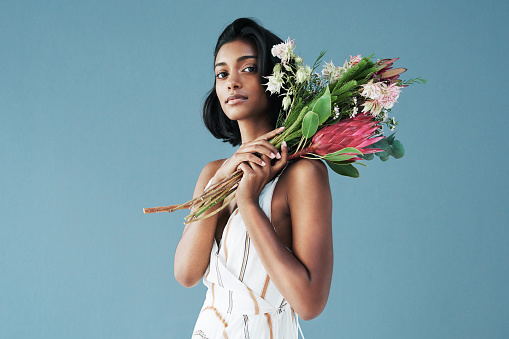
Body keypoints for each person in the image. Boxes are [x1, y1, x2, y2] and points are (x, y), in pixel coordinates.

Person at [174, 18, 333, 339]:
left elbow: (310, 304)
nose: (232, 82)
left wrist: (248, 202)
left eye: (247, 68)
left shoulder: (304, 174)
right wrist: (221, 177)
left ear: (278, 80)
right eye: (222, 73)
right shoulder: (212, 173)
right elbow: (186, 274)